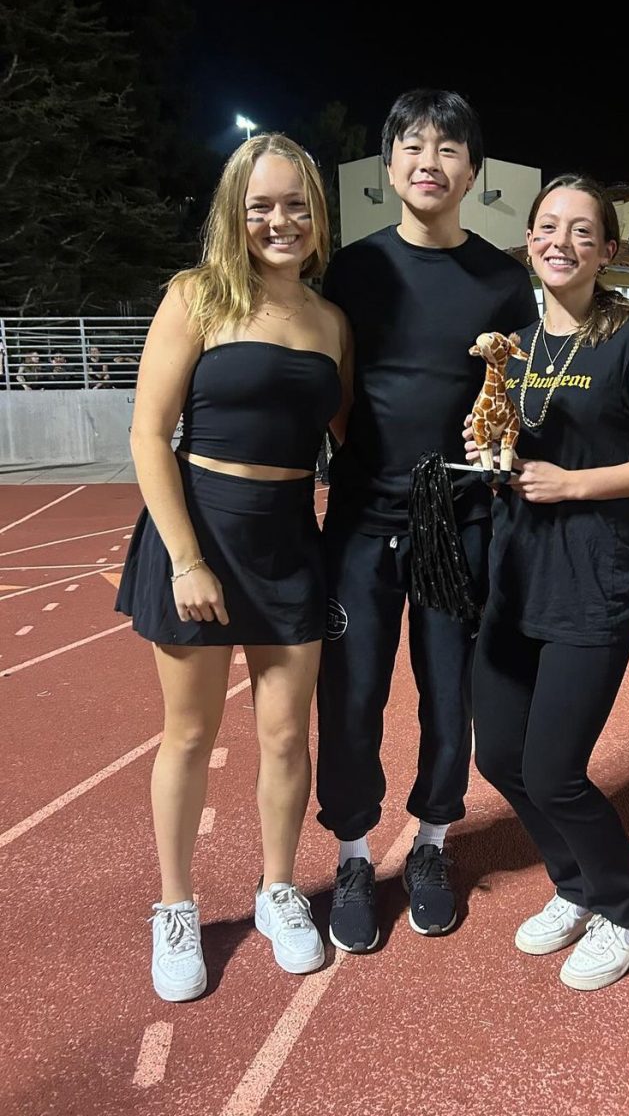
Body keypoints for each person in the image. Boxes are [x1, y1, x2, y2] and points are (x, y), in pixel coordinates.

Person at [116, 133, 351, 1002]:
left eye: (296, 204)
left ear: (317, 214)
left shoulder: (331, 322)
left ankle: (278, 889)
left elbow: (352, 441)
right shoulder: (196, 298)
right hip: (201, 537)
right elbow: (148, 434)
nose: (280, 220)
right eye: (262, 206)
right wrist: (184, 558)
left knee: (288, 736)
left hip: (292, 541)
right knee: (189, 735)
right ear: (235, 214)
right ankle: (175, 906)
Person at [316, 89, 538, 952]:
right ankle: (351, 852)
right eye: (413, 144)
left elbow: (511, 398)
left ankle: (435, 847)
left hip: (460, 523)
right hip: (362, 525)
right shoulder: (354, 269)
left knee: (450, 697)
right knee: (353, 695)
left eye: (449, 148)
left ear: (473, 173)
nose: (429, 161)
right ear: (389, 165)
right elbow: (336, 387)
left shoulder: (500, 278)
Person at [467, 176, 629, 990]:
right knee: (498, 755)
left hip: (592, 582)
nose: (559, 240)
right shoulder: (518, 347)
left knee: (556, 768)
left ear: (605, 249)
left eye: (580, 230)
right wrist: (488, 453)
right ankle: (576, 886)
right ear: (529, 239)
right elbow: (505, 446)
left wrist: (575, 483)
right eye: (546, 226)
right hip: (513, 579)